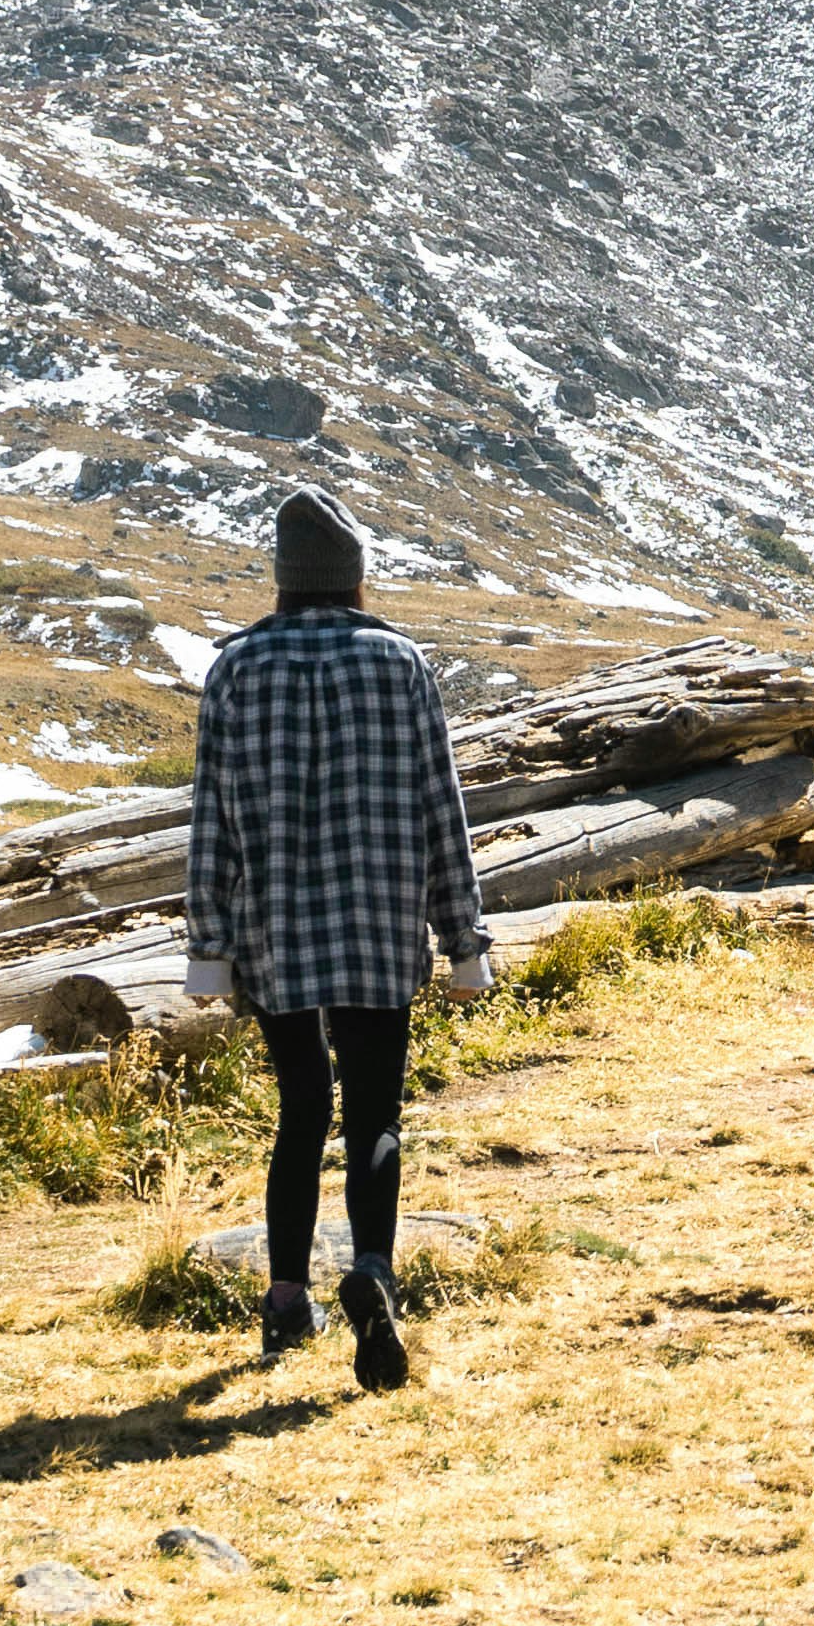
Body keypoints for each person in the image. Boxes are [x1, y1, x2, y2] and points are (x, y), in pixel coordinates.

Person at [184, 488, 495, 1389]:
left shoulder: (236, 670)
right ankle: (373, 1271)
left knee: (299, 1111)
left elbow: (212, 822)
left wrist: (208, 944)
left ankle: (286, 1301)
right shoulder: (398, 662)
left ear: (283, 580)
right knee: (374, 1113)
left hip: (273, 928)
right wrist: (462, 938)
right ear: (354, 576)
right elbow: (442, 808)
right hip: (377, 919)